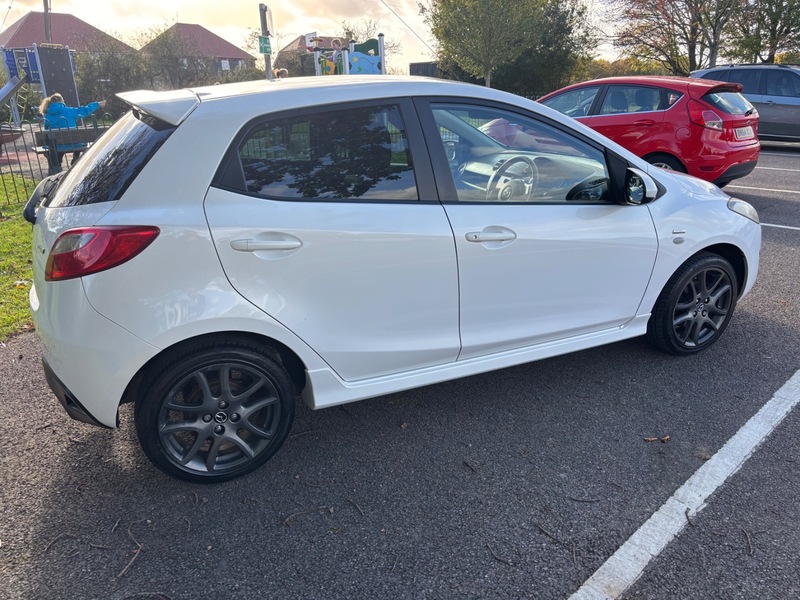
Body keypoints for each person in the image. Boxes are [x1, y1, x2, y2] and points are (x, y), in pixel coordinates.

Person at [38, 93, 107, 166]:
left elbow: (46, 129)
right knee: (78, 139)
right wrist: (97, 104)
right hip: (73, 143)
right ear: (62, 101)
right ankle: (75, 159)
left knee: (55, 145)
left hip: (56, 144)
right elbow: (84, 110)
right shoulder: (69, 110)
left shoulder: (47, 114)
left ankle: (56, 165)